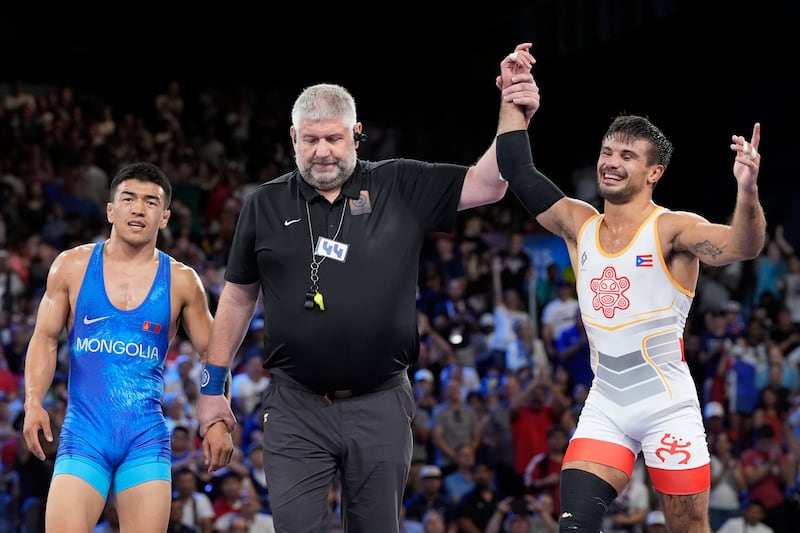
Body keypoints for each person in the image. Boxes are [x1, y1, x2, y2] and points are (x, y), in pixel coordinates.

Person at [194, 45, 540, 532]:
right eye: (310, 140)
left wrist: (512, 109)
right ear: (293, 137)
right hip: (295, 406)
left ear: (357, 134)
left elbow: (490, 185)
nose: (322, 151)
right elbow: (236, 297)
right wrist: (212, 389)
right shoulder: (264, 204)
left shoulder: (399, 184)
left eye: (334, 138)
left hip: (380, 403)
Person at [496, 46, 766, 532]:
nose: (611, 163)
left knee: (688, 529)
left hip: (668, 408)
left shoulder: (672, 230)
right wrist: (514, 99)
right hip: (607, 405)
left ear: (653, 172)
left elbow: (742, 246)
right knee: (573, 525)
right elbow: (517, 171)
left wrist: (747, 192)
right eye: (607, 152)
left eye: (627, 156)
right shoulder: (579, 223)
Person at [21, 161, 232, 532]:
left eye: (151, 202)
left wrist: (216, 418)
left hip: (145, 438)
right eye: (129, 198)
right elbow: (44, 338)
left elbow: (213, 354)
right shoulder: (71, 266)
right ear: (110, 210)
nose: (138, 208)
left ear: (164, 217)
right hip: (84, 434)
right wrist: (34, 401)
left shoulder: (182, 281)